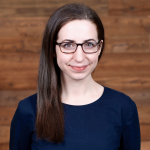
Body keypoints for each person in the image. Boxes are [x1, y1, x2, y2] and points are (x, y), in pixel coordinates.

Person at [9, 3, 141, 150]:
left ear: (100, 47)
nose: (79, 57)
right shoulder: (27, 110)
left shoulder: (124, 107)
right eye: (67, 45)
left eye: (89, 44)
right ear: (53, 49)